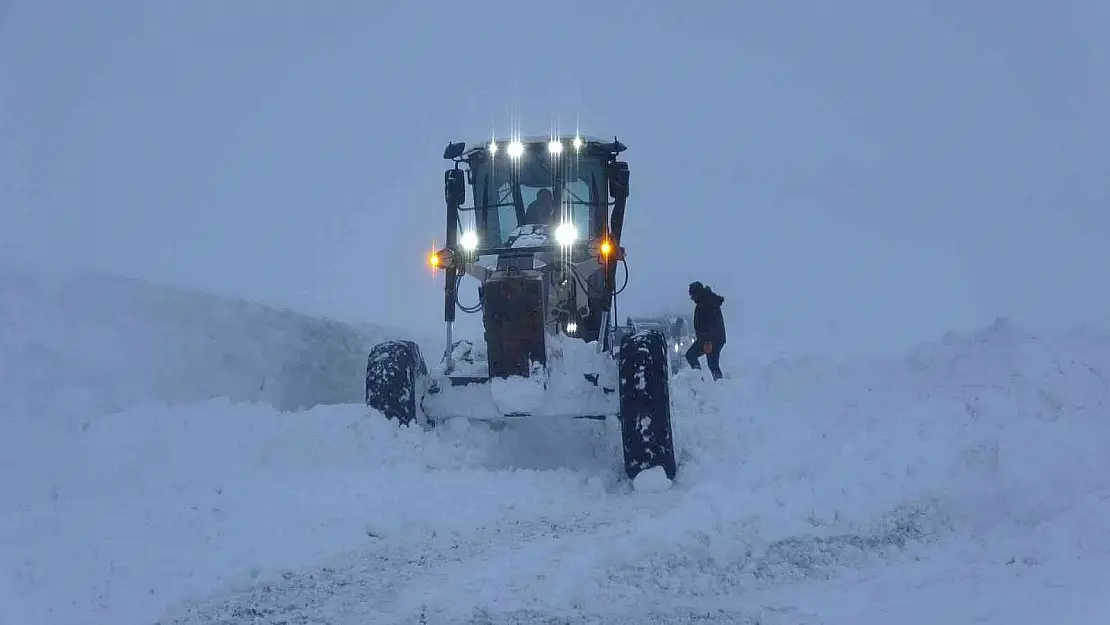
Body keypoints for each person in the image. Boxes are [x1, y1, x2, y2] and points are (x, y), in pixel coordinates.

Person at [685, 281, 726, 380]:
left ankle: (718, 384)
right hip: (708, 339)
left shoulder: (707, 303)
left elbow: (714, 323)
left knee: (712, 364)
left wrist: (708, 341)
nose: (691, 298)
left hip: (712, 340)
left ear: (698, 293)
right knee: (692, 356)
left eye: (692, 295)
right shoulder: (705, 301)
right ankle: (699, 379)